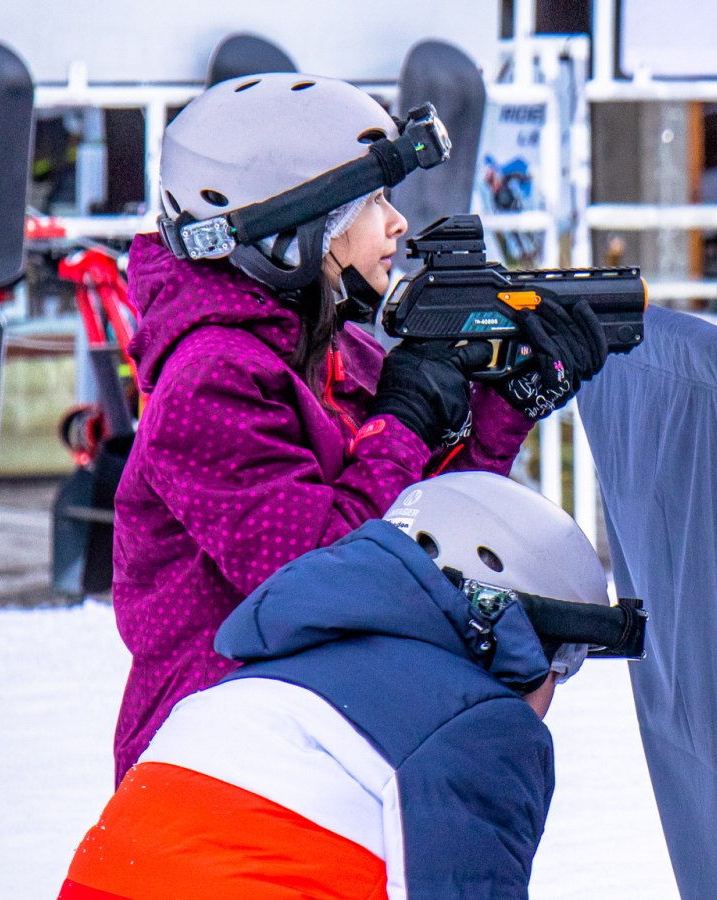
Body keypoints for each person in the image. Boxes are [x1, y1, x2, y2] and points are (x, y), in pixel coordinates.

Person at [111, 74, 608, 784]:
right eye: (372, 202)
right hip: (225, 761)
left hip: (323, 732)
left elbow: (424, 536)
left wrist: (509, 403)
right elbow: (319, 579)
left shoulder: (335, 350)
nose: (398, 223)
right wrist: (402, 420)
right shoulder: (213, 381)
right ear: (289, 229)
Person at [62, 472, 633, 900]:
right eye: (563, 653)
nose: (556, 681)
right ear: (499, 625)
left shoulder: (256, 680)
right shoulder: (476, 723)